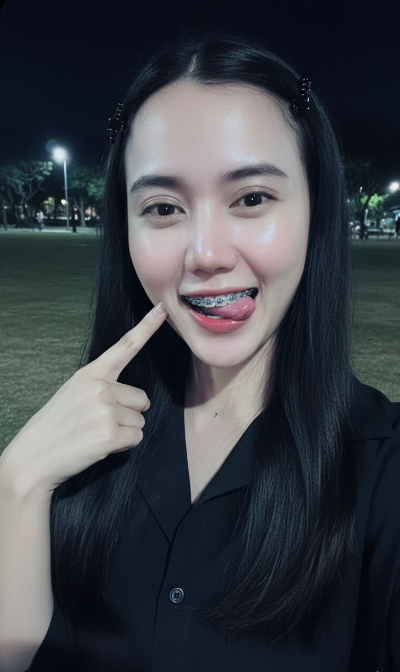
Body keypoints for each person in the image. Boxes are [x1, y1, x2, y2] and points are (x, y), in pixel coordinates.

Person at [0, 30, 399, 672]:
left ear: (316, 210)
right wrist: (16, 486)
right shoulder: (78, 443)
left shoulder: (382, 473)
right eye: (163, 207)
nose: (206, 254)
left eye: (252, 198)